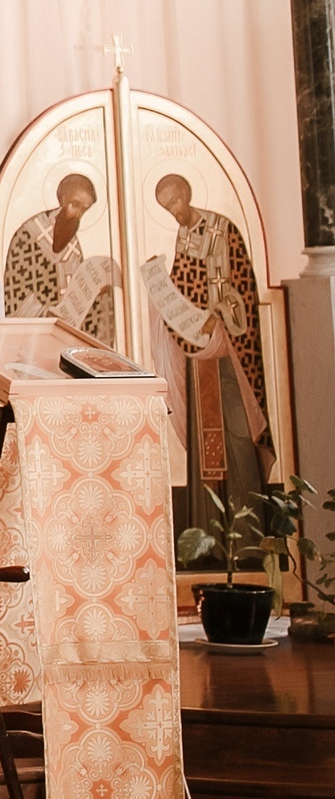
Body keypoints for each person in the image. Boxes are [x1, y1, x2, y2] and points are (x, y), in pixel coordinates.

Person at [145, 175, 273, 548]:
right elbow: (184, 287)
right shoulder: (184, 236)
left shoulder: (222, 228)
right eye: (166, 207)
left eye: (175, 202)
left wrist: (220, 313)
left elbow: (243, 287)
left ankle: (248, 536)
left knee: (237, 432)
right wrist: (160, 285)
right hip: (199, 356)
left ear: (187, 193)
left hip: (229, 352)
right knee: (207, 443)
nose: (173, 211)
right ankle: (211, 537)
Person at [2, 173, 119, 344]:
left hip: (64, 333)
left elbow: (76, 293)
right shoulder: (30, 234)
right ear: (62, 199)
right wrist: (47, 315)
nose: (77, 214)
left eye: (83, 209)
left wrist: (97, 294)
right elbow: (14, 293)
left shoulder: (73, 246)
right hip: (34, 336)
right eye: (75, 205)